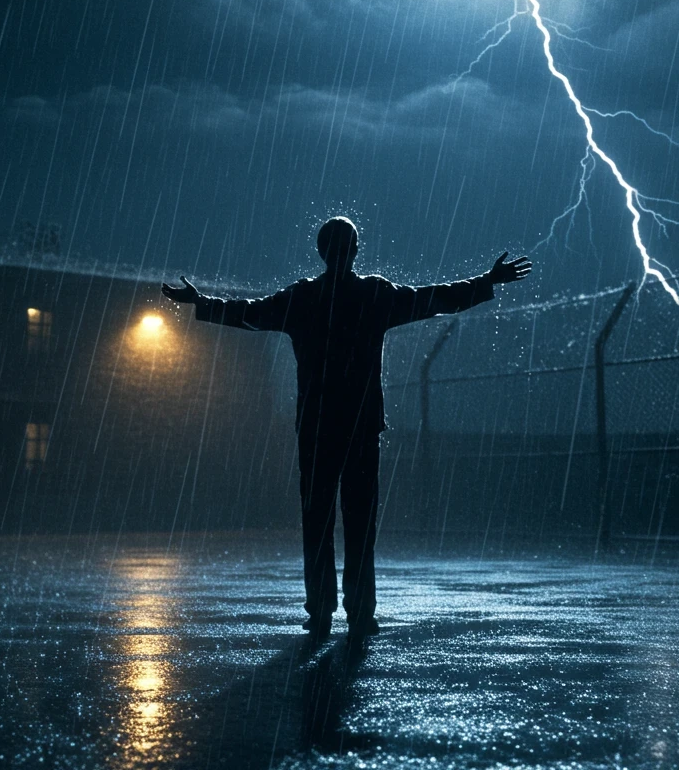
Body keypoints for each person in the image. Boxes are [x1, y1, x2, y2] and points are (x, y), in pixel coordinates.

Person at [162, 217, 531, 638]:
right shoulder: (373, 295)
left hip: (318, 427)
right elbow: (433, 299)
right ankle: (359, 611)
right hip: (360, 424)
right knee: (360, 524)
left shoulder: (304, 297)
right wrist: (486, 281)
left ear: (322, 252)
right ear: (355, 250)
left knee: (317, 520)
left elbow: (252, 314)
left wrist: (202, 302)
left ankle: (321, 610)